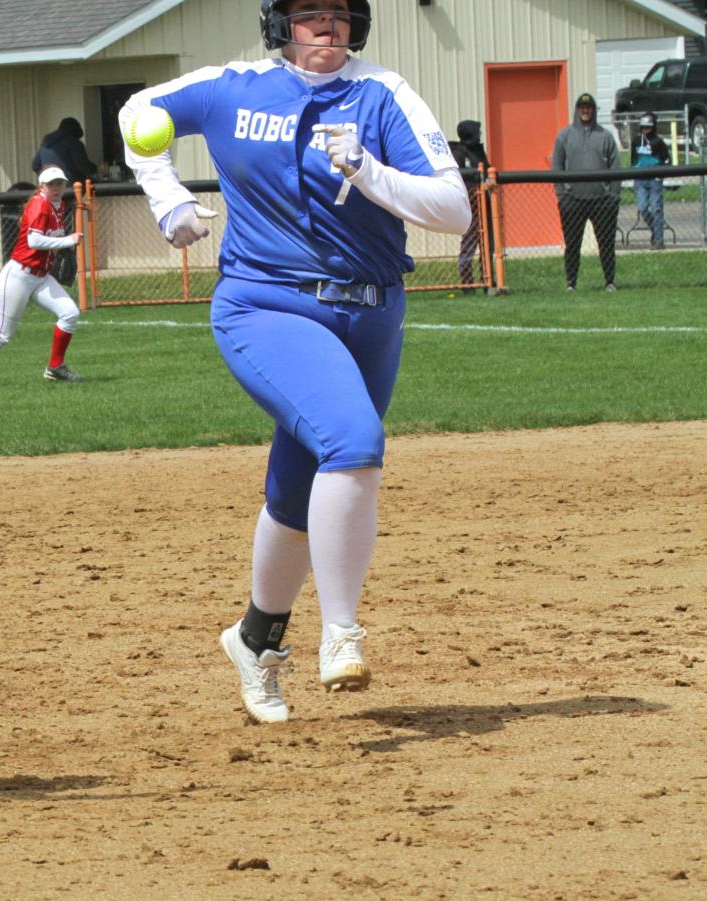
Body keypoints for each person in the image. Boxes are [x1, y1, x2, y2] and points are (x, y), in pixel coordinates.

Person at [121, 0, 469, 723]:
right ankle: (341, 635)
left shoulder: (384, 95)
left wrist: (369, 170)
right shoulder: (235, 87)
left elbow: (453, 209)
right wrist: (165, 196)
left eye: (338, 15)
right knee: (353, 442)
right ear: (282, 24)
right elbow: (137, 113)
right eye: (309, 15)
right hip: (267, 304)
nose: (326, 30)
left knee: (298, 485)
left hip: (371, 311)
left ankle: (256, 640)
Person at [0, 166, 85, 389]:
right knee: (2, 335)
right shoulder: (40, 204)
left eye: (59, 183)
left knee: (70, 314)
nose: (56, 188)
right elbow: (34, 241)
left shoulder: (58, 205)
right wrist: (67, 241)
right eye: (51, 184)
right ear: (41, 186)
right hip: (19, 276)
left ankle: (55, 367)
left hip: (40, 276)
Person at [551, 93, 621, 291]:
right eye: (582, 107)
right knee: (572, 245)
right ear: (577, 109)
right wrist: (561, 194)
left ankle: (609, 281)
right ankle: (571, 283)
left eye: (589, 107)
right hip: (572, 200)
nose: (585, 110)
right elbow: (556, 164)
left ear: (593, 110)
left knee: (606, 244)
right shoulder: (564, 136)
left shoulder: (605, 136)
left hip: (602, 201)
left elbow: (616, 167)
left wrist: (614, 196)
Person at [31, 117, 95, 288]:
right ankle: (65, 272)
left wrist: (49, 180)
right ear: (74, 131)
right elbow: (84, 167)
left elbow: (35, 164)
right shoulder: (73, 143)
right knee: (66, 234)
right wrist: (95, 169)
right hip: (68, 195)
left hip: (48, 198)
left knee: (50, 233)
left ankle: (48, 270)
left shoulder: (47, 142)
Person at [449, 119, 491, 290]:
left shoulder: (478, 151)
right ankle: (468, 283)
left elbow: (487, 171)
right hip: (469, 205)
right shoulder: (458, 153)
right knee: (469, 243)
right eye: (477, 132)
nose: (479, 135)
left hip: (485, 203)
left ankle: (488, 279)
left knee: (488, 244)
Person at [631, 111, 670, 249]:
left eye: (648, 127)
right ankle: (655, 229)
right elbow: (633, 160)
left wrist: (661, 175)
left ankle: (659, 241)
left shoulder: (659, 142)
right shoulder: (636, 141)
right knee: (642, 208)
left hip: (655, 180)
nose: (645, 130)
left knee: (656, 208)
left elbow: (666, 160)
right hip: (640, 180)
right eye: (643, 127)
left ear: (653, 127)